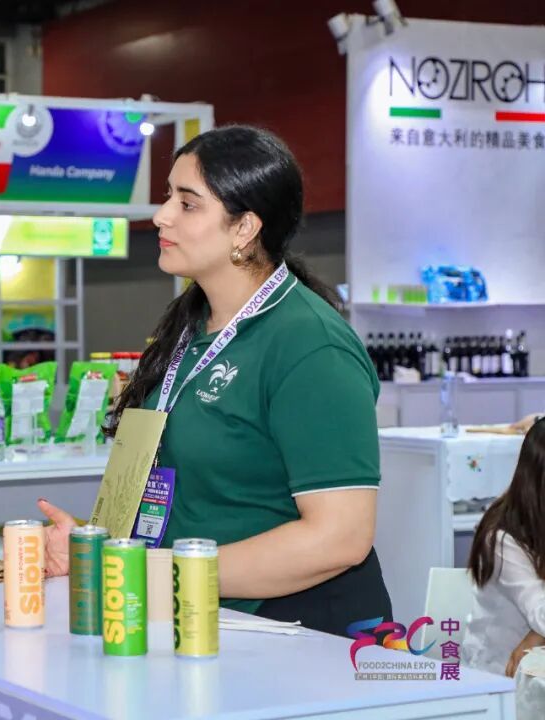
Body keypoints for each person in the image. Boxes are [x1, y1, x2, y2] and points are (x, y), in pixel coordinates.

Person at [37, 125, 392, 637]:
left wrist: (158, 573)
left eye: (187, 203)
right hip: (192, 615)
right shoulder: (188, 328)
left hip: (294, 633)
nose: (161, 215)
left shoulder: (310, 345)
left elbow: (341, 538)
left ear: (244, 227)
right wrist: (98, 550)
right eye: (167, 196)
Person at [465, 418, 545, 677]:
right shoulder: (502, 538)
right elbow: (540, 613)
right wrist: (539, 633)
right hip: (497, 677)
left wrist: (537, 635)